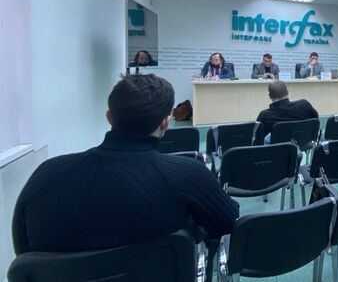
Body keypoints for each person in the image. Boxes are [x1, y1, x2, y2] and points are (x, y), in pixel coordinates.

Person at [12, 74, 239, 254]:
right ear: (165, 123)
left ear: (109, 117)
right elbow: (228, 222)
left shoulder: (47, 174)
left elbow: (23, 251)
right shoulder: (189, 174)